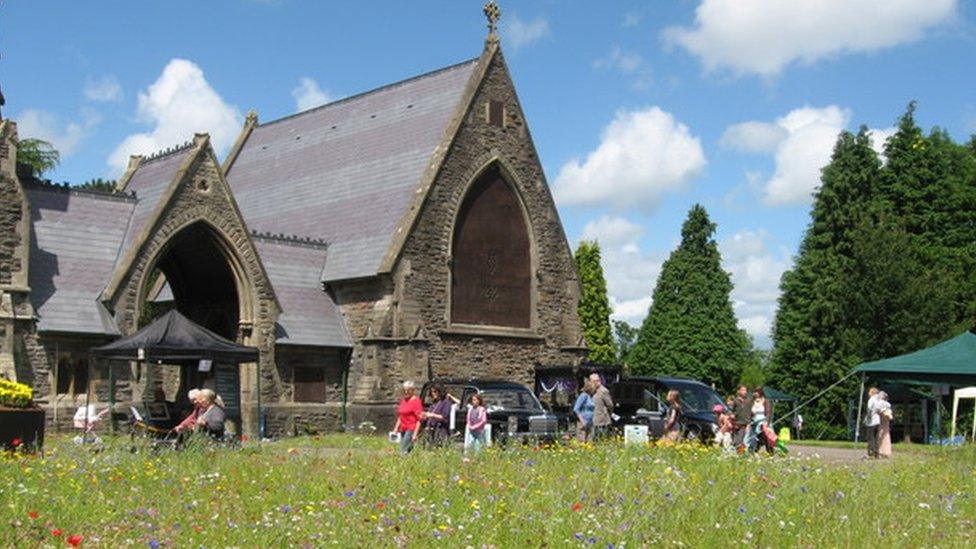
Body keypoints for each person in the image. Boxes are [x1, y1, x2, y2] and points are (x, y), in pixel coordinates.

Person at [392, 381, 424, 454]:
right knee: (404, 448)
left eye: (408, 390)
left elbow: (419, 419)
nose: (406, 392)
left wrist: (415, 434)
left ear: (412, 390)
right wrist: (396, 428)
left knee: (403, 450)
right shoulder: (403, 400)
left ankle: (402, 463)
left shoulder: (416, 401)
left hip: (411, 428)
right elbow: (401, 416)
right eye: (404, 390)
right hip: (403, 428)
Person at [589, 373, 614, 441]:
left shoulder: (603, 391)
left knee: (601, 439)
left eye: (591, 381)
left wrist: (608, 413)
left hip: (602, 421)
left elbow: (610, 405)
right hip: (593, 419)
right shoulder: (593, 391)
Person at [747, 387, 773, 453]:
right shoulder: (752, 402)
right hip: (754, 422)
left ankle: (769, 451)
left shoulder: (766, 401)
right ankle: (753, 450)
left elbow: (768, 412)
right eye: (754, 392)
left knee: (765, 436)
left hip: (763, 422)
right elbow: (749, 413)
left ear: (760, 392)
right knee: (754, 437)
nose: (754, 393)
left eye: (756, 392)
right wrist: (749, 423)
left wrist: (766, 422)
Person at [731, 385, 751, 449]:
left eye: (745, 390)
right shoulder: (735, 400)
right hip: (736, 423)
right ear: (738, 391)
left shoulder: (748, 401)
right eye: (743, 390)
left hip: (745, 423)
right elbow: (731, 410)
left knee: (741, 440)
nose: (745, 392)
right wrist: (732, 415)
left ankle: (741, 453)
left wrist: (749, 423)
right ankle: (737, 454)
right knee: (736, 440)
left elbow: (750, 412)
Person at [863, 387, 880, 459]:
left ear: (872, 393)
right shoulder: (879, 400)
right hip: (877, 420)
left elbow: (869, 408)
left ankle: (871, 452)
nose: (868, 393)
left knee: (870, 437)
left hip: (871, 421)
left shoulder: (871, 399)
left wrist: (868, 417)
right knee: (876, 438)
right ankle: (876, 453)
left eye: (869, 392)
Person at [877, 391, 893, 458]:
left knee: (881, 435)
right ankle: (884, 451)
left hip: (882, 421)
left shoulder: (881, 404)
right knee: (884, 435)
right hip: (884, 421)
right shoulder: (887, 404)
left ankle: (881, 451)